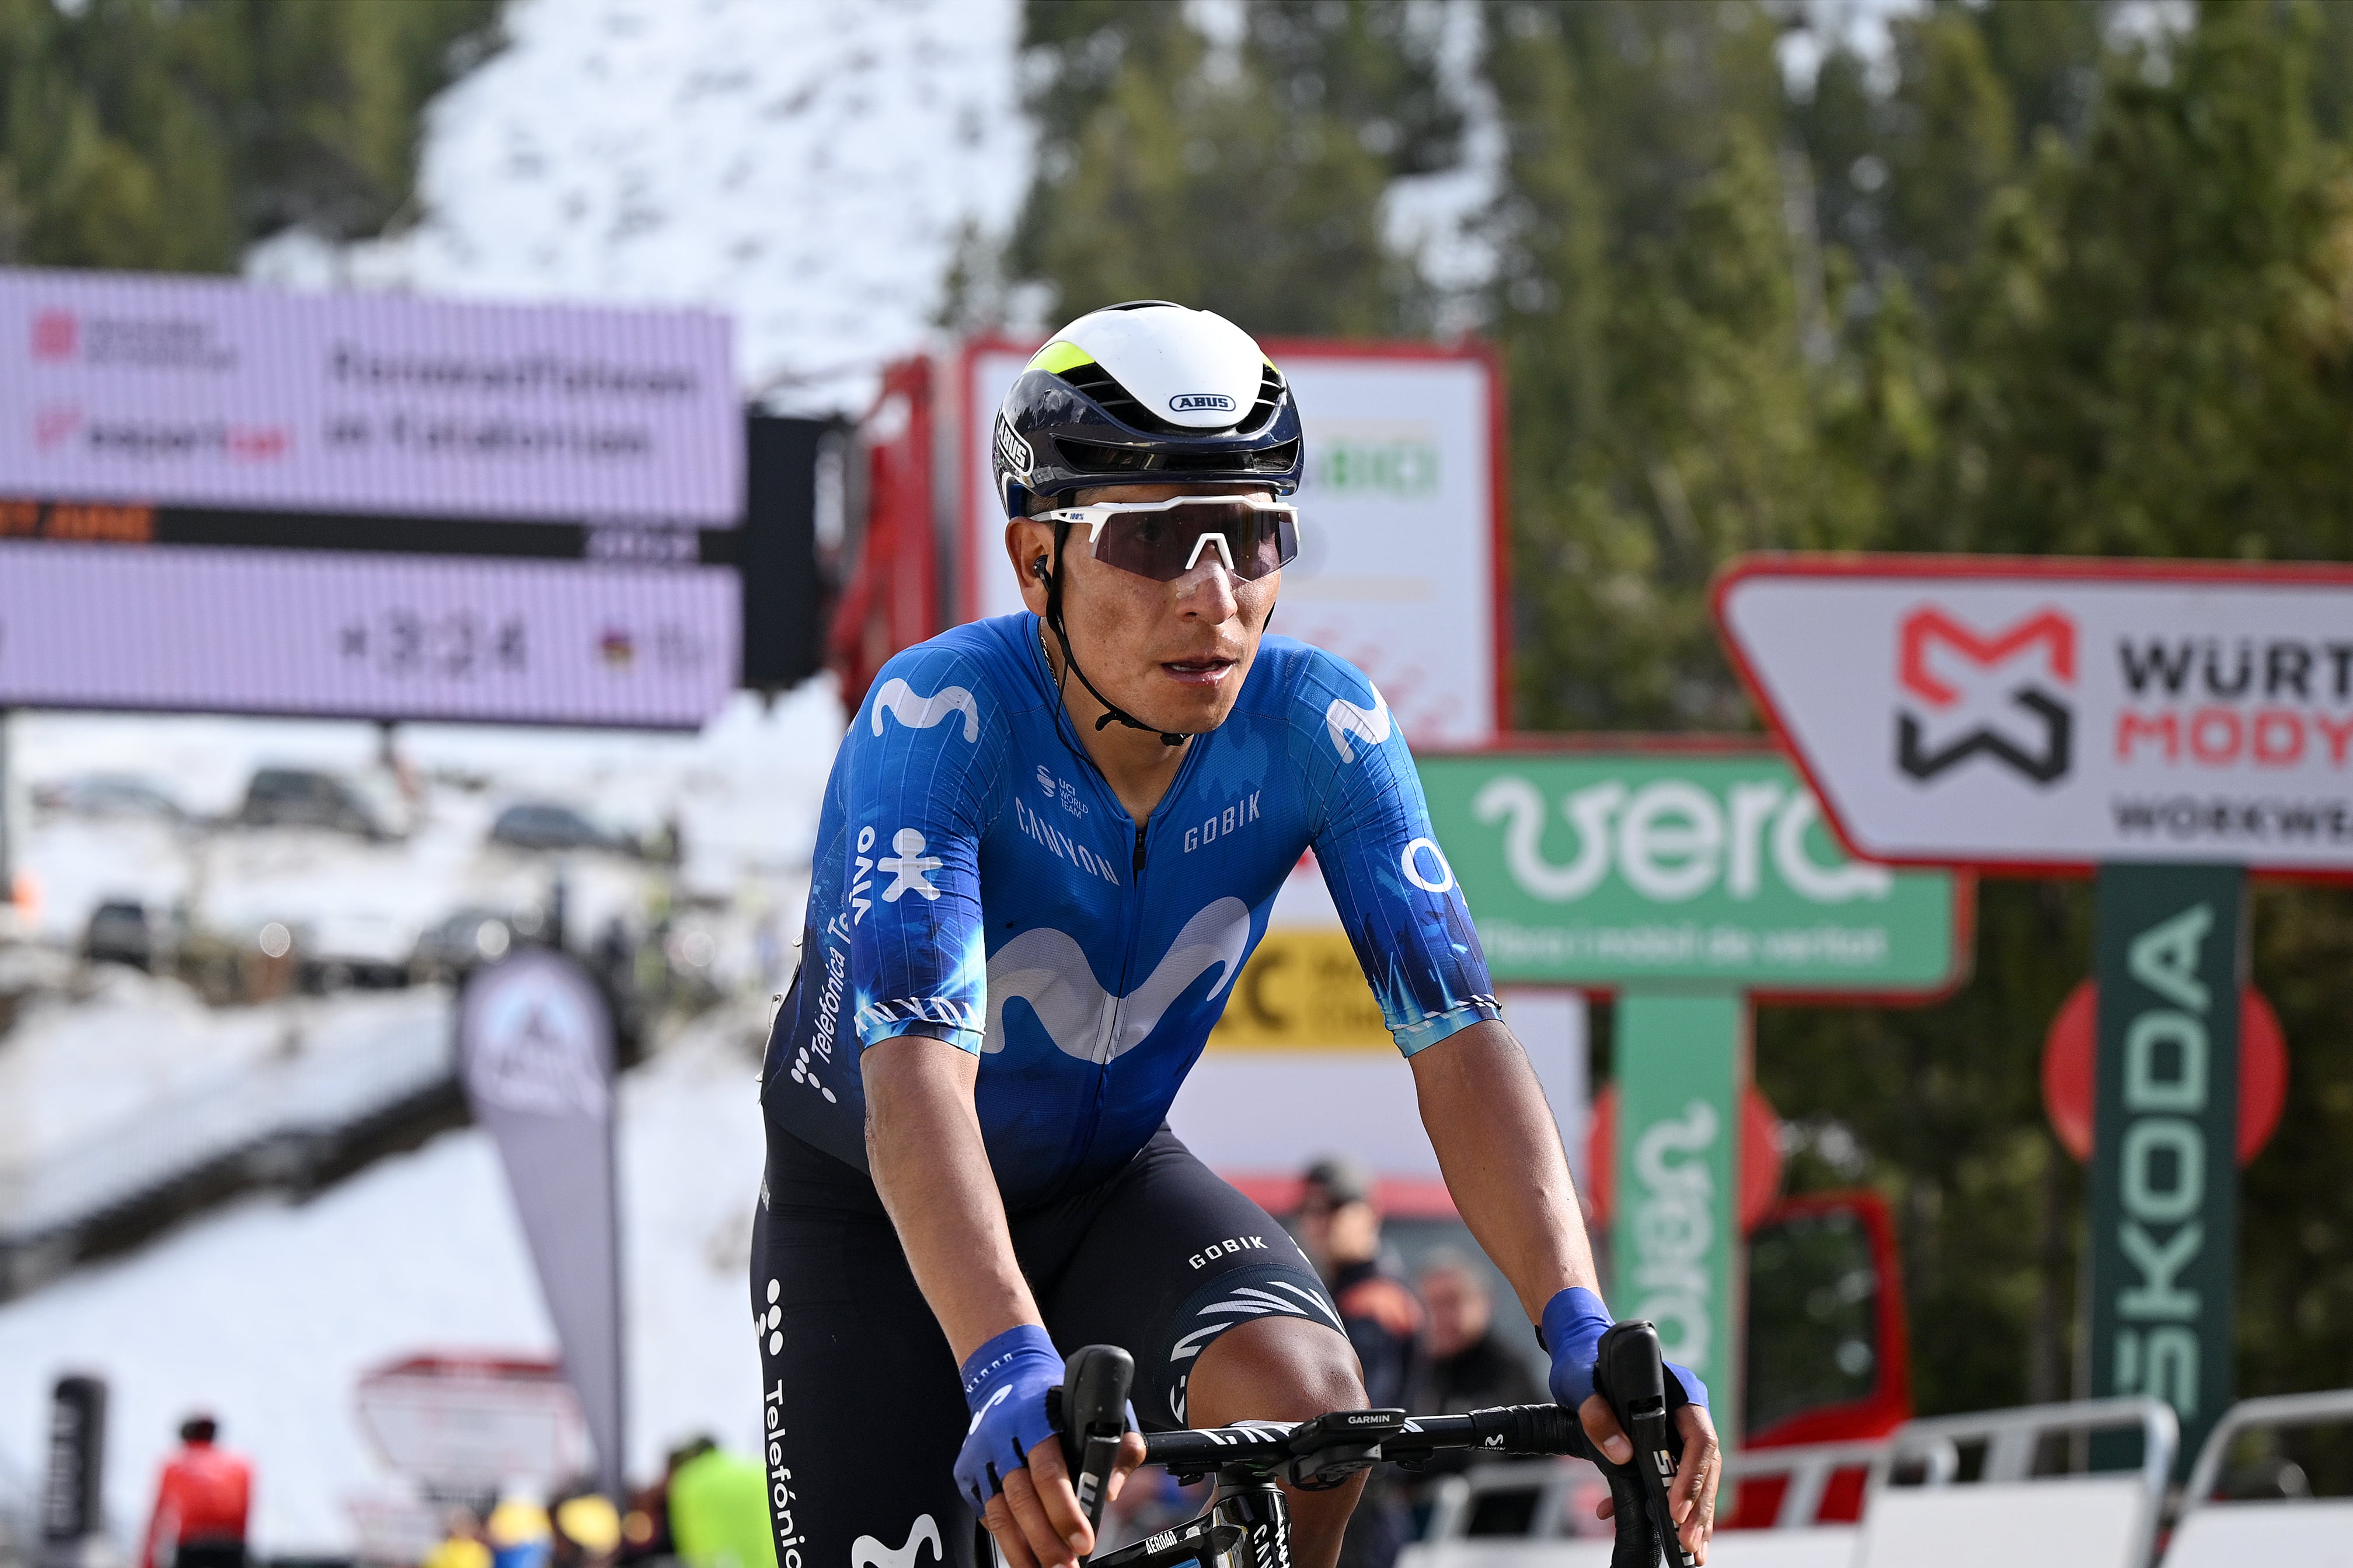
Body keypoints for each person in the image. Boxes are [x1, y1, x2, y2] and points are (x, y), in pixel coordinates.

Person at [752, 300, 1720, 1568]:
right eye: (1152, 540)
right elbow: (916, 1081)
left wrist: (1575, 1312)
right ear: (1034, 556)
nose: (1211, 594)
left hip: (1106, 1187)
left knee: (1315, 1403)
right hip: (879, 1208)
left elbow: (1457, 1041)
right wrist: (1000, 1352)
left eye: (1252, 534)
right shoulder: (936, 722)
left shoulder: (1321, 728)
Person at [1295, 1157, 1421, 1568]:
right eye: (1310, 1209)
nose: (1320, 1220)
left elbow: (1355, 1412)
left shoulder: (1376, 1301)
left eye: (1334, 1207)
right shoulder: (1335, 1294)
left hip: (1361, 1499)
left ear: (1369, 1213)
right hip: (1342, 1493)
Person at [140, 1415, 251, 1568]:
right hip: (232, 1548)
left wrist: (147, 1563)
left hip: (192, 1549)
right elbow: (245, 1515)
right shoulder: (241, 1466)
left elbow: (157, 1519)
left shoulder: (175, 1465)